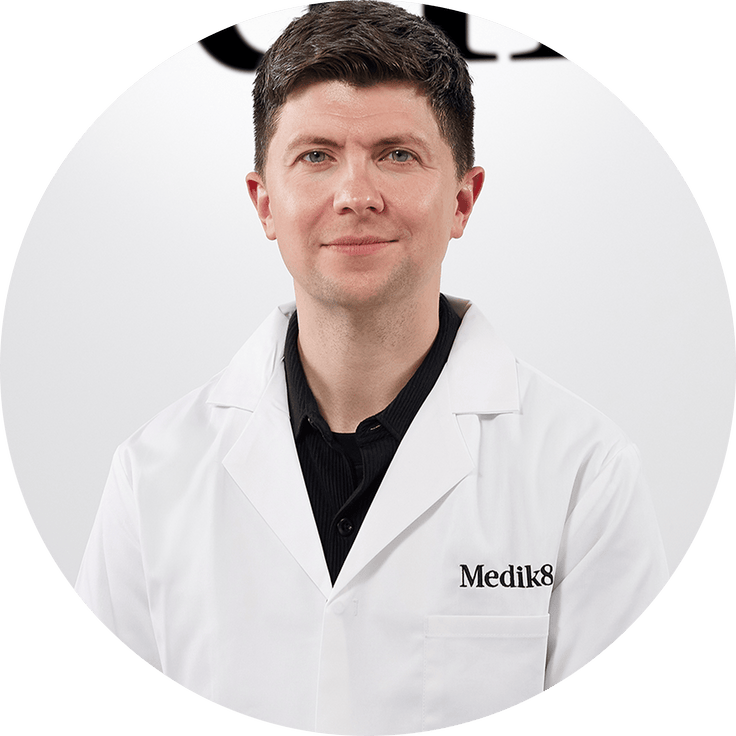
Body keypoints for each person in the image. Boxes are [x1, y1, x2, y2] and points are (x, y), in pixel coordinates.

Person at [76, 2, 669, 733]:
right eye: (316, 156)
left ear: (463, 199)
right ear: (264, 203)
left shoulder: (584, 472)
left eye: (397, 154)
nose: (356, 196)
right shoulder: (152, 476)